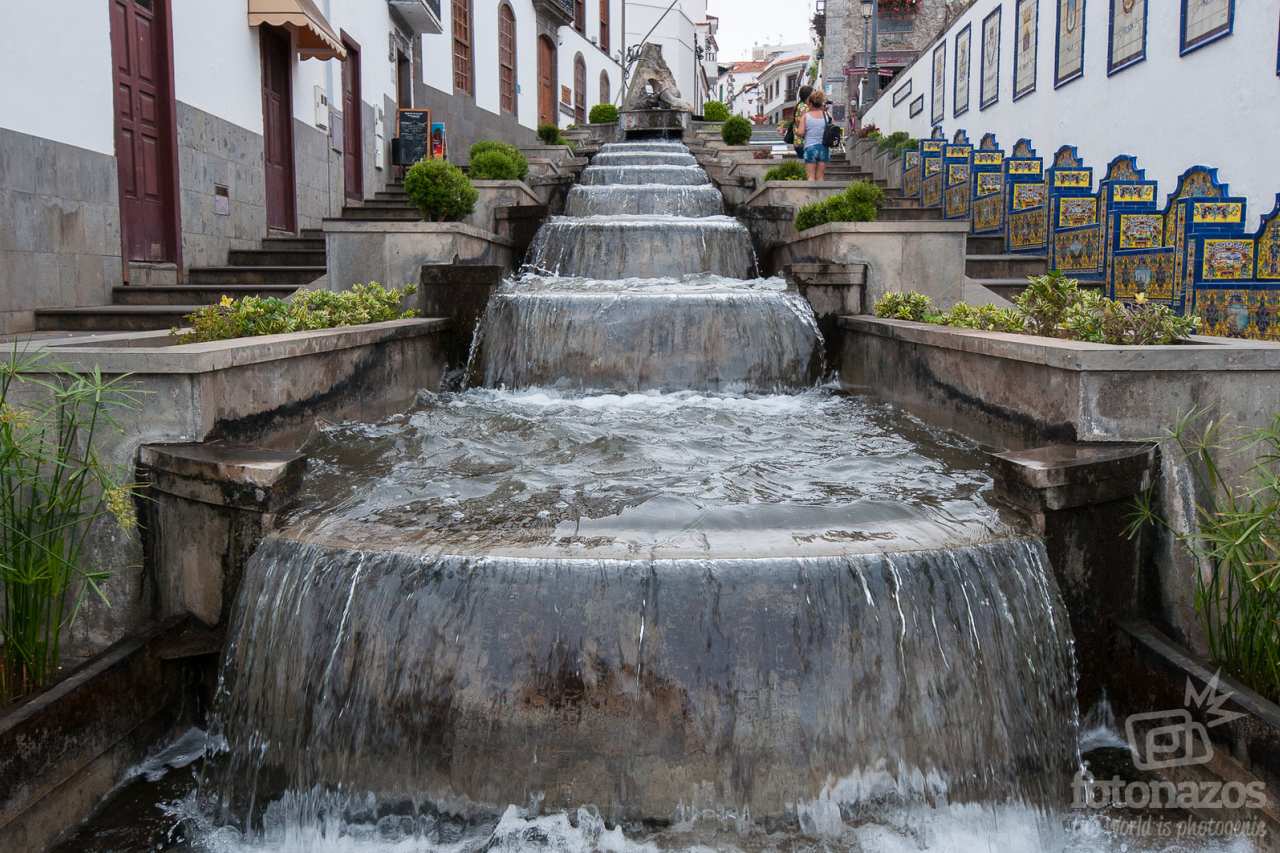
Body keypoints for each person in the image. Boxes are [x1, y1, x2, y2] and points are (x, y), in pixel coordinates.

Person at [794, 91, 831, 181]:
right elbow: (831, 128)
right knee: (820, 177)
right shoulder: (827, 115)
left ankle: (811, 195)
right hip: (824, 148)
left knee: (810, 177)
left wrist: (796, 131)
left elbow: (800, 132)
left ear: (810, 104)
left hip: (810, 147)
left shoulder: (806, 116)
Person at [782, 85, 814, 157]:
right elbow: (805, 124)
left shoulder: (800, 105)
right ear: (808, 95)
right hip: (803, 142)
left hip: (799, 142)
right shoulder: (804, 107)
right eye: (813, 93)